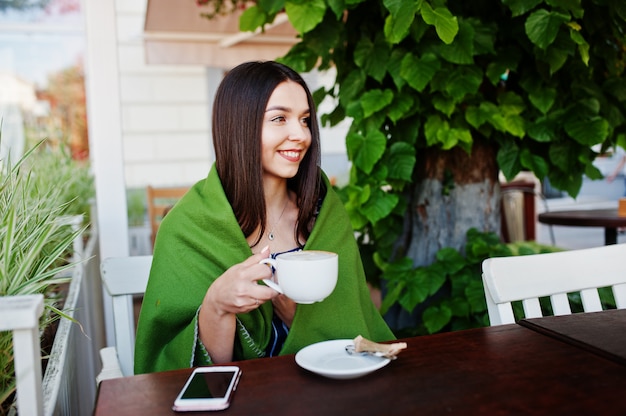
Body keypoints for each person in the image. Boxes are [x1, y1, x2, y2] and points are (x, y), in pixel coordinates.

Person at [134, 61, 395, 374]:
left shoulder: (324, 211)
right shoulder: (188, 227)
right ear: (239, 126)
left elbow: (352, 320)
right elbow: (187, 374)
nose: (301, 135)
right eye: (280, 118)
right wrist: (217, 306)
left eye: (305, 120)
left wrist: (297, 317)